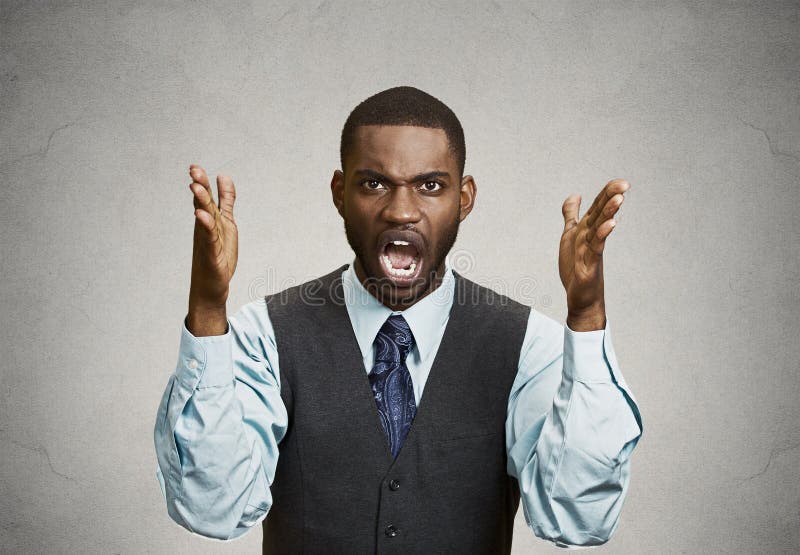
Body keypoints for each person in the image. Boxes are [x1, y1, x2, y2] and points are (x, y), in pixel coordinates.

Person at [153, 86, 643, 553]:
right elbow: (212, 509)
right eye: (374, 184)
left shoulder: (528, 344)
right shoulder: (265, 334)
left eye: (430, 186)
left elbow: (577, 520)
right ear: (340, 193)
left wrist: (585, 316)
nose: (401, 211)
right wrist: (208, 309)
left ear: (464, 199)